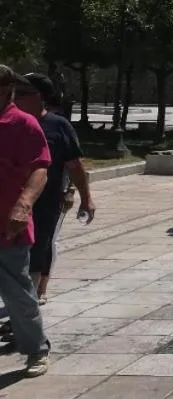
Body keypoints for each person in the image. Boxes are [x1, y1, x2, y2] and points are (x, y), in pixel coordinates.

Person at [14, 73, 94, 304]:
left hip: (47, 203)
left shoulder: (58, 126)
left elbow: (75, 166)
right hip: (10, 200)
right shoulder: (11, 124)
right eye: (15, 93)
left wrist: (85, 198)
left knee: (39, 248)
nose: (16, 98)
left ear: (41, 97)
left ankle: (33, 296)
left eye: (23, 93)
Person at [0, 66, 52, 377]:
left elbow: (41, 168)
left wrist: (24, 203)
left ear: (6, 89)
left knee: (18, 294)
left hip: (8, 226)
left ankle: (36, 350)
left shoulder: (23, 123)